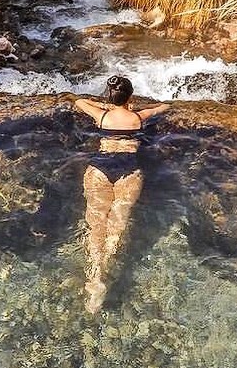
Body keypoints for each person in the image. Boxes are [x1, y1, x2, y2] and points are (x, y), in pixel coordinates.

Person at [73, 76, 170, 313]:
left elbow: (80, 102)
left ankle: (94, 276)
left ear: (109, 96)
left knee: (97, 224)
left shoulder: (103, 116)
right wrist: (139, 108)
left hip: (99, 168)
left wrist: (105, 106)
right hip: (129, 170)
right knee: (117, 226)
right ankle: (103, 272)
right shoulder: (137, 117)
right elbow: (163, 107)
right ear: (131, 97)